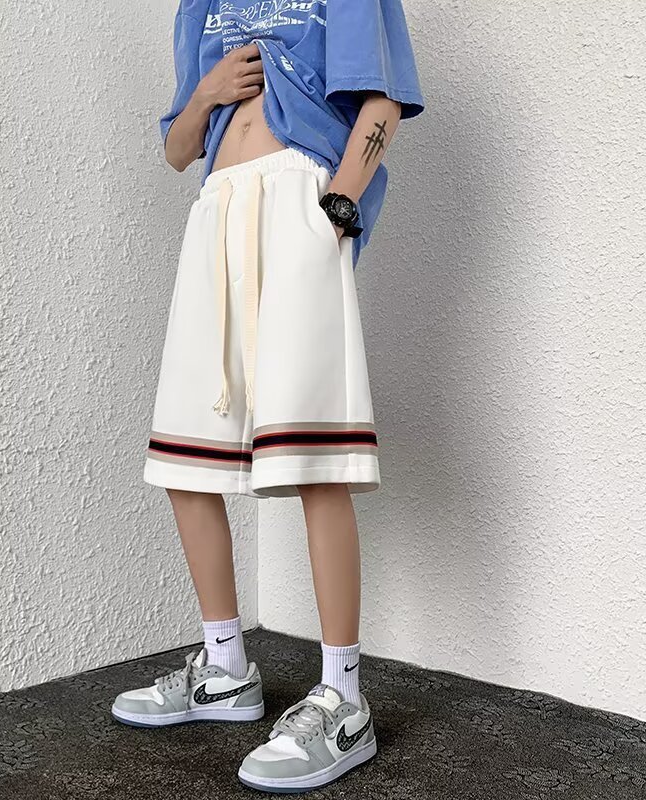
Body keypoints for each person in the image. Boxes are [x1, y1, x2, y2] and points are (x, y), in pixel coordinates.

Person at [112, 0, 425, 792]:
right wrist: (207, 92)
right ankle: (225, 670)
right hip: (216, 210)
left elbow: (383, 103)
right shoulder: (202, 7)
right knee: (187, 453)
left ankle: (344, 698)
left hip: (300, 202)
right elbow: (178, 149)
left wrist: (335, 212)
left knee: (315, 457)